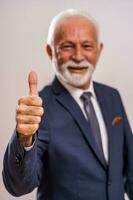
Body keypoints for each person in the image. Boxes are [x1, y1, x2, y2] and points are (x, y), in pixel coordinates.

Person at [2, 9, 133, 200]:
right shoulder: (39, 108)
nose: (78, 56)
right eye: (67, 46)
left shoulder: (111, 96)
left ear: (99, 49)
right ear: (50, 51)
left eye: (87, 46)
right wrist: (24, 139)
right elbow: (19, 186)